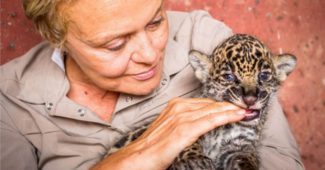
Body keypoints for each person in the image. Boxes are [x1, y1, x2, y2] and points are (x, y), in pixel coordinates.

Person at [0, 0, 304, 169]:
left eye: (155, 22)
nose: (149, 55)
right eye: (115, 44)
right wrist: (136, 156)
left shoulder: (207, 40)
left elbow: (281, 162)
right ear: (56, 37)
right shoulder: (9, 99)